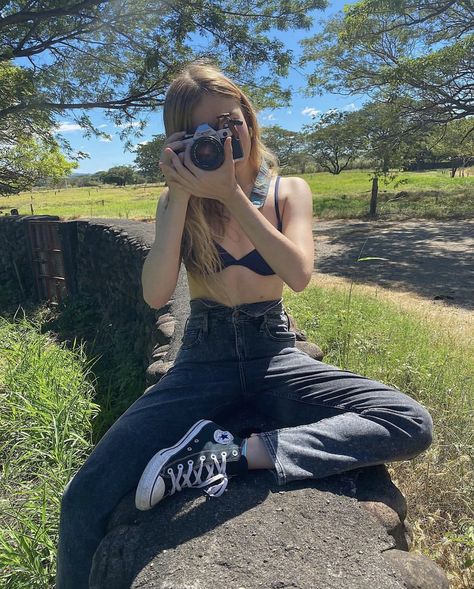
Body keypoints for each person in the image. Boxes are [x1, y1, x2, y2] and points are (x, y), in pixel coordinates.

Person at [55, 61, 433, 588]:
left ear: (249, 121)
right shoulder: (175, 203)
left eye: (229, 122)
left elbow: (298, 274)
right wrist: (184, 193)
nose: (220, 138)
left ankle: (230, 454)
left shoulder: (288, 191)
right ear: (177, 141)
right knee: (84, 497)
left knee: (409, 421)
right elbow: (156, 293)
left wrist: (233, 193)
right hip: (201, 360)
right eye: (199, 132)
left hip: (275, 353)